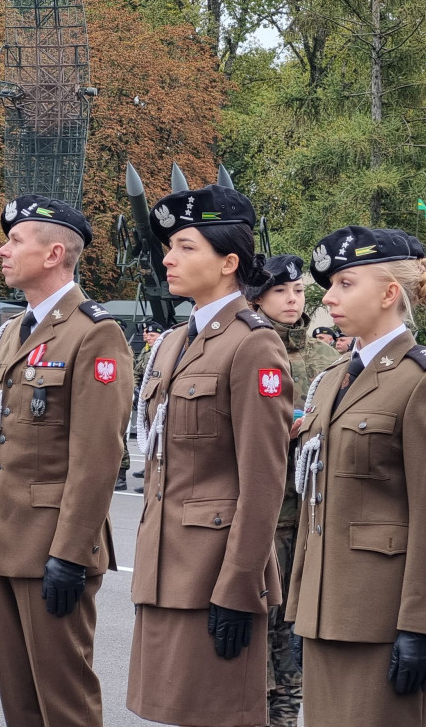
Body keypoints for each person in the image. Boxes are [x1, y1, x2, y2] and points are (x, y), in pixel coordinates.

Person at [127, 182, 293, 727]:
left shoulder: (253, 343)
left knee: (222, 715)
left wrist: (240, 585)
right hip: (164, 566)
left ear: (229, 262)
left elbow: (264, 479)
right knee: (175, 714)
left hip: (215, 573)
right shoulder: (175, 341)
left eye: (185, 248)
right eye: (169, 247)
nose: (168, 259)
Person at [286, 225, 426, 727]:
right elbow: (314, 504)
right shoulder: (331, 380)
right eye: (331, 285)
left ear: (390, 293)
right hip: (326, 612)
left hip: (383, 616)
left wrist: (421, 625)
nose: (330, 297)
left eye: (346, 284)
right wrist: (300, 609)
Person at [0, 195, 132, 727]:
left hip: (52, 549)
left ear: (54, 253)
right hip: (3, 542)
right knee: (19, 704)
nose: (2, 250)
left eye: (15, 241)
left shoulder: (95, 332)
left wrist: (70, 553)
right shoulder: (16, 331)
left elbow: (98, 456)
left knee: (64, 704)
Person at [245, 253, 337, 727]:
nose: (292, 299)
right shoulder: (247, 346)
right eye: (280, 291)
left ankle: (283, 719)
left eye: (298, 291)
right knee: (254, 630)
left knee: (294, 638)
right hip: (259, 516)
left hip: (307, 517)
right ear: (257, 298)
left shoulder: (327, 358)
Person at [131, 319, 163, 493]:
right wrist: (136, 388)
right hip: (144, 396)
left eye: (152, 335)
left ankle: (153, 479)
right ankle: (148, 471)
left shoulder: (162, 351)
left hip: (155, 398)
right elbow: (137, 371)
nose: (147, 338)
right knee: (146, 434)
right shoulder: (146, 351)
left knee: (155, 437)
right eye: (147, 335)